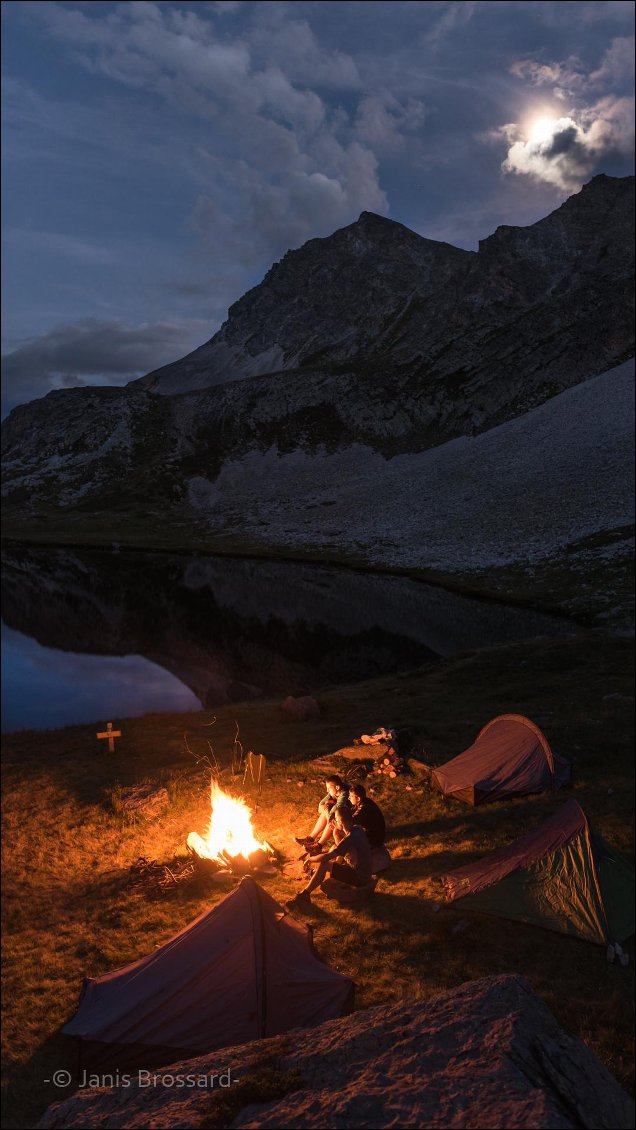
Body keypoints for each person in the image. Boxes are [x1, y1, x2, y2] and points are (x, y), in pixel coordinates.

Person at [286, 823, 373, 913]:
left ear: (340, 822)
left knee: (324, 865)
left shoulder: (349, 839)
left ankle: (304, 895)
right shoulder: (357, 829)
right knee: (333, 851)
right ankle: (315, 878)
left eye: (336, 819)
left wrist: (310, 859)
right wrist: (336, 831)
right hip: (364, 872)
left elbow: (325, 857)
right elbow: (338, 847)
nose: (333, 822)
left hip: (359, 877)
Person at [295, 775, 351, 853]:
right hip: (339, 816)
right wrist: (327, 809)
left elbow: (338, 806)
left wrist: (329, 816)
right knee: (326, 812)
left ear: (337, 787)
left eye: (329, 788)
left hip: (347, 820)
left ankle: (319, 845)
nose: (327, 791)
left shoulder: (345, 793)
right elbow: (320, 806)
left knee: (331, 819)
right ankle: (310, 839)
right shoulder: (333, 792)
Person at [348, 782, 386, 848]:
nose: (349, 798)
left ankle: (346, 853)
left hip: (374, 840)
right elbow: (349, 812)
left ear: (358, 798)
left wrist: (339, 820)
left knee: (339, 832)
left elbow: (350, 821)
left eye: (351, 796)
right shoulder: (363, 802)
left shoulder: (364, 809)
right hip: (370, 835)